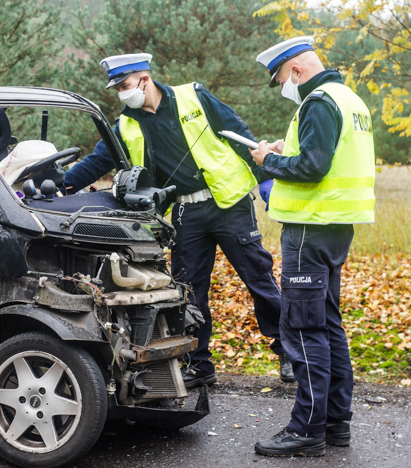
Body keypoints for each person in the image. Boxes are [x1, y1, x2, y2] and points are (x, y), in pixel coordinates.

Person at [63, 53, 294, 388]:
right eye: (117, 89)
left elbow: (238, 133)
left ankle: (288, 350)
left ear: (145, 78)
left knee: (258, 279)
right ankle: (198, 365)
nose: (122, 94)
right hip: (186, 213)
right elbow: (99, 160)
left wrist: (265, 178)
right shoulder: (126, 124)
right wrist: (62, 186)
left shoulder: (194, 95)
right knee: (189, 293)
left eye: (125, 85)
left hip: (228, 204)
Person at [250, 36, 375, 457]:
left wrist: (267, 159)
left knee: (302, 329)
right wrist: (292, 152)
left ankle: (306, 429)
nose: (287, 87)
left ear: (297, 71)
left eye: (284, 79)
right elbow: (325, 156)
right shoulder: (348, 99)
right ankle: (336, 422)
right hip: (335, 228)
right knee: (328, 326)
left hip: (310, 230)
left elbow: (313, 168)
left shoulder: (318, 101)